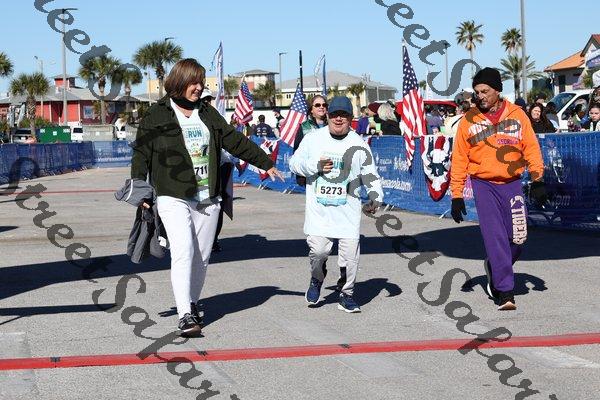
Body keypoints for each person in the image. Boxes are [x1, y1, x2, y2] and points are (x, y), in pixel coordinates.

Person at [131, 58, 284, 336]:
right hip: (172, 194)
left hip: (207, 196)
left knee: (201, 257)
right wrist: (141, 190)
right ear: (179, 82)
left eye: (201, 82)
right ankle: (185, 315)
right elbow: (141, 153)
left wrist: (265, 162)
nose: (199, 87)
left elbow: (234, 140)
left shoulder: (206, 112)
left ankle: (191, 302)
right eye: (194, 82)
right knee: (183, 250)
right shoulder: (157, 114)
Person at [450, 67, 546, 311]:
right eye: (477, 92)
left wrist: (537, 179)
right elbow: (459, 158)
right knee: (495, 237)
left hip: (511, 183)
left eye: (485, 91)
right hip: (483, 184)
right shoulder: (469, 120)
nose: (480, 96)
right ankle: (505, 291)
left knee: (519, 237)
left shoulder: (518, 115)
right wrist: (457, 194)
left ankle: (495, 266)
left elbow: (531, 147)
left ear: (497, 90)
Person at [289, 96, 383, 313]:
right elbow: (294, 163)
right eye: (334, 115)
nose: (338, 119)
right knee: (319, 253)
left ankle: (346, 294)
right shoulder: (313, 139)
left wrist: (375, 197)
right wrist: (315, 165)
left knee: (350, 258)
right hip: (319, 212)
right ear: (328, 116)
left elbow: (371, 174)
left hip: (347, 212)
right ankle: (317, 278)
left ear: (351, 118)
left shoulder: (359, 144)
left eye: (344, 115)